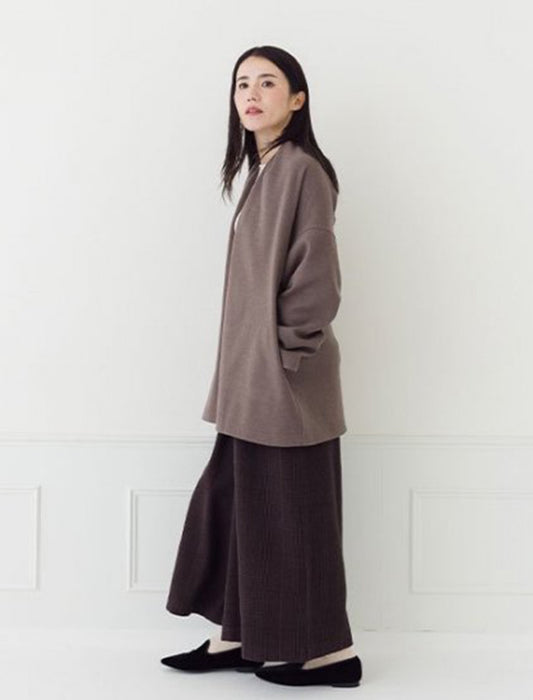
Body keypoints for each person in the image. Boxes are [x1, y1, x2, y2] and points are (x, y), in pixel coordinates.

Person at [160, 45, 363, 688]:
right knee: (239, 506)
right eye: (242, 83)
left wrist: (284, 354)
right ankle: (239, 633)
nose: (251, 94)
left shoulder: (302, 169)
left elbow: (316, 277)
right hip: (250, 383)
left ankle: (331, 655)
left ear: (297, 99)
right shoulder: (265, 169)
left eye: (267, 83)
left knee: (291, 515)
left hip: (283, 384)